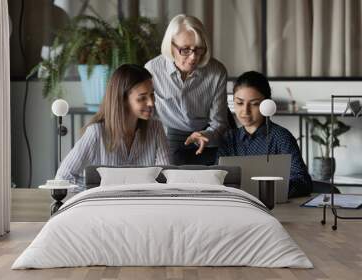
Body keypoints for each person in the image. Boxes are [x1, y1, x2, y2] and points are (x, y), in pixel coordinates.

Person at [56, 64, 170, 187]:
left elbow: (166, 178)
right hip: (104, 205)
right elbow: (63, 178)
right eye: (142, 98)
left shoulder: (156, 129)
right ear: (123, 99)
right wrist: (96, 188)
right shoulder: (96, 133)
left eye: (152, 95)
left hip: (144, 204)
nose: (151, 102)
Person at [145, 14, 235, 165]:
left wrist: (205, 135)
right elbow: (147, 118)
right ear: (170, 45)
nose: (194, 57)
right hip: (169, 136)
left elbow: (219, 123)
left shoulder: (217, 71)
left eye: (199, 49)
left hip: (206, 136)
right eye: (185, 49)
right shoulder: (152, 70)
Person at [218, 71, 313, 198]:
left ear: (266, 104)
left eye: (254, 104)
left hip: (275, 208)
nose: (245, 111)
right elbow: (217, 179)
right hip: (237, 206)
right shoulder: (229, 138)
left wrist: (271, 190)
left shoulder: (281, 137)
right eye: (239, 103)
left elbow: (303, 181)